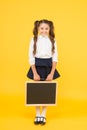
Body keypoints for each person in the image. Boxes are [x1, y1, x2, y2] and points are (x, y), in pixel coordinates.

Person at [27, 19, 60, 125]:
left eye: (46, 28)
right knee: (36, 92)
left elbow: (55, 57)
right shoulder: (34, 39)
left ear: (50, 29)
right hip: (36, 66)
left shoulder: (53, 40)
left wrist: (51, 73)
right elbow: (31, 56)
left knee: (47, 92)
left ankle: (43, 114)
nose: (44, 30)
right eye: (42, 28)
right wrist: (35, 72)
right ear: (38, 29)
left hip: (48, 67)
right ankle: (37, 114)